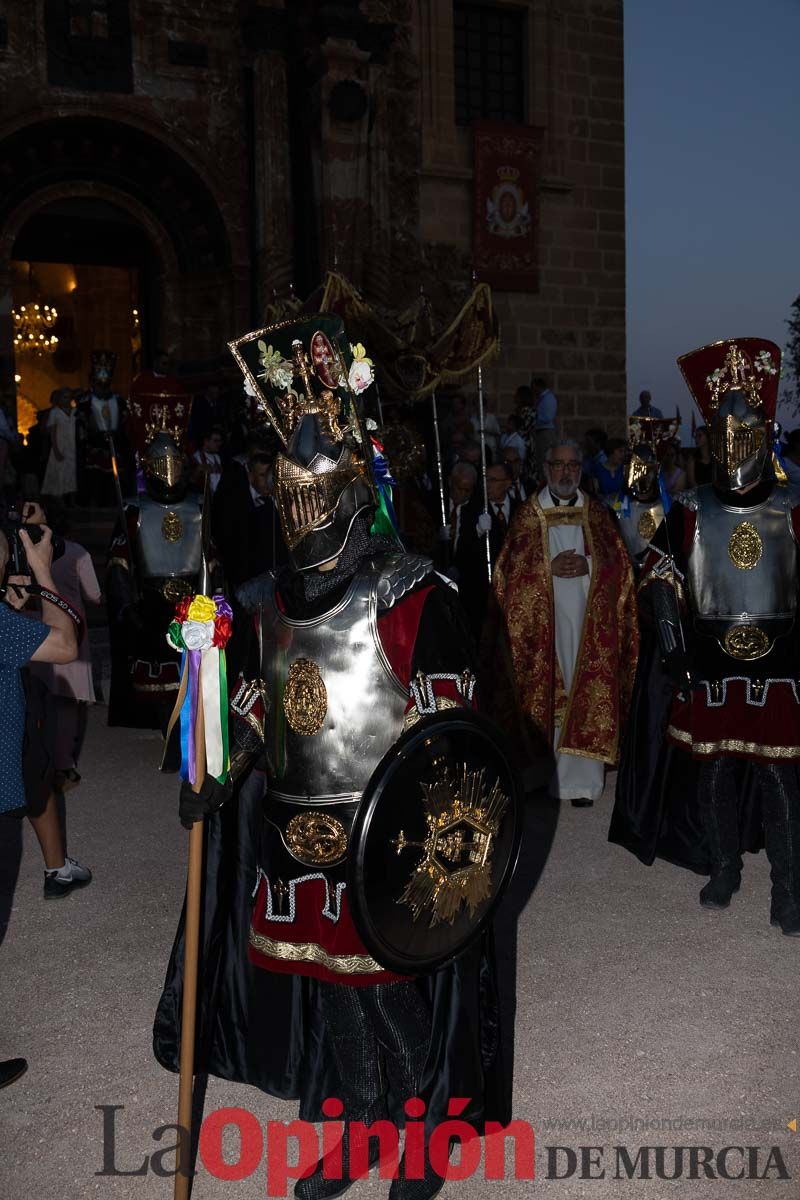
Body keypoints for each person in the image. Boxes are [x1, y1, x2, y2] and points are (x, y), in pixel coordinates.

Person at [154, 315, 513, 1198]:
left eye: (315, 471)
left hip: (386, 852)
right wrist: (214, 774)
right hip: (295, 835)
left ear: (353, 487)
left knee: (393, 992)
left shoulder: (412, 595)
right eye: (289, 476)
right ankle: (364, 1123)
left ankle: (426, 1129)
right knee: (334, 988)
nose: (299, 496)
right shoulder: (264, 605)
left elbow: (452, 744)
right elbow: (255, 710)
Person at [611, 338, 800, 936]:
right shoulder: (693, 509)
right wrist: (674, 647)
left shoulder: (795, 507)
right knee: (714, 770)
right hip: (710, 658)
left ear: (766, 438)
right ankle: (724, 868)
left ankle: (789, 889)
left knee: (779, 776)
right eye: (726, 437)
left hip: (784, 657)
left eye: (747, 436)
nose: (735, 448)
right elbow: (660, 572)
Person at [482, 440, 638, 806]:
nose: (566, 472)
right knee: (546, 693)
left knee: (585, 691)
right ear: (546, 468)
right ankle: (544, 776)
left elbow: (621, 571)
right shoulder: (527, 516)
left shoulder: (598, 515)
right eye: (558, 465)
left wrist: (591, 566)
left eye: (572, 465)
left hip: (588, 621)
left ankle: (582, 784)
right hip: (543, 627)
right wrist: (546, 571)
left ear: (581, 469)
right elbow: (508, 578)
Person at [106, 411, 204, 729]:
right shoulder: (134, 510)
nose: (168, 470)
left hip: (193, 598)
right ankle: (164, 724)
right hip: (150, 600)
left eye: (173, 462)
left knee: (194, 668)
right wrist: (125, 604)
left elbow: (211, 557)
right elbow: (119, 562)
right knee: (156, 670)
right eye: (161, 464)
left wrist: (214, 595)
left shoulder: (200, 506)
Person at [29, 505, 102, 791]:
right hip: (70, 626)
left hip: (35, 623)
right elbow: (94, 595)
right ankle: (63, 766)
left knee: (41, 696)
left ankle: (43, 762)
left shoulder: (27, 549)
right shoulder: (77, 552)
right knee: (68, 702)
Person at [75, 350, 126, 506]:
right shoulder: (85, 400)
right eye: (99, 384)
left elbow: (124, 421)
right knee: (94, 479)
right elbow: (81, 424)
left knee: (114, 481)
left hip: (114, 445)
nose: (102, 387)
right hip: (94, 446)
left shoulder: (119, 400)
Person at [612, 438, 664, 569]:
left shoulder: (668, 508)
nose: (643, 476)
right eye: (638, 470)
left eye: (648, 470)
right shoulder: (614, 506)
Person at [41, 388, 77, 504]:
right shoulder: (55, 412)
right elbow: (52, 433)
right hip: (60, 447)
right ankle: (59, 504)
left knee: (71, 475)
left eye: (68, 397)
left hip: (72, 447)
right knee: (59, 474)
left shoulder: (75, 411)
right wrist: (56, 450)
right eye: (64, 397)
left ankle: (72, 503)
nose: (67, 399)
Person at [532, 375, 558, 480]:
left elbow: (548, 416)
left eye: (533, 387)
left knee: (545, 457)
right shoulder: (543, 398)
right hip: (541, 431)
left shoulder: (548, 398)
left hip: (545, 431)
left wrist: (534, 418)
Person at [191, 425, 224, 495]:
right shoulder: (196, 457)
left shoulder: (217, 457)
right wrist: (198, 470)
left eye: (220, 441)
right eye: (215, 441)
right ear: (206, 441)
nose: (219, 444)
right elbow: (191, 481)